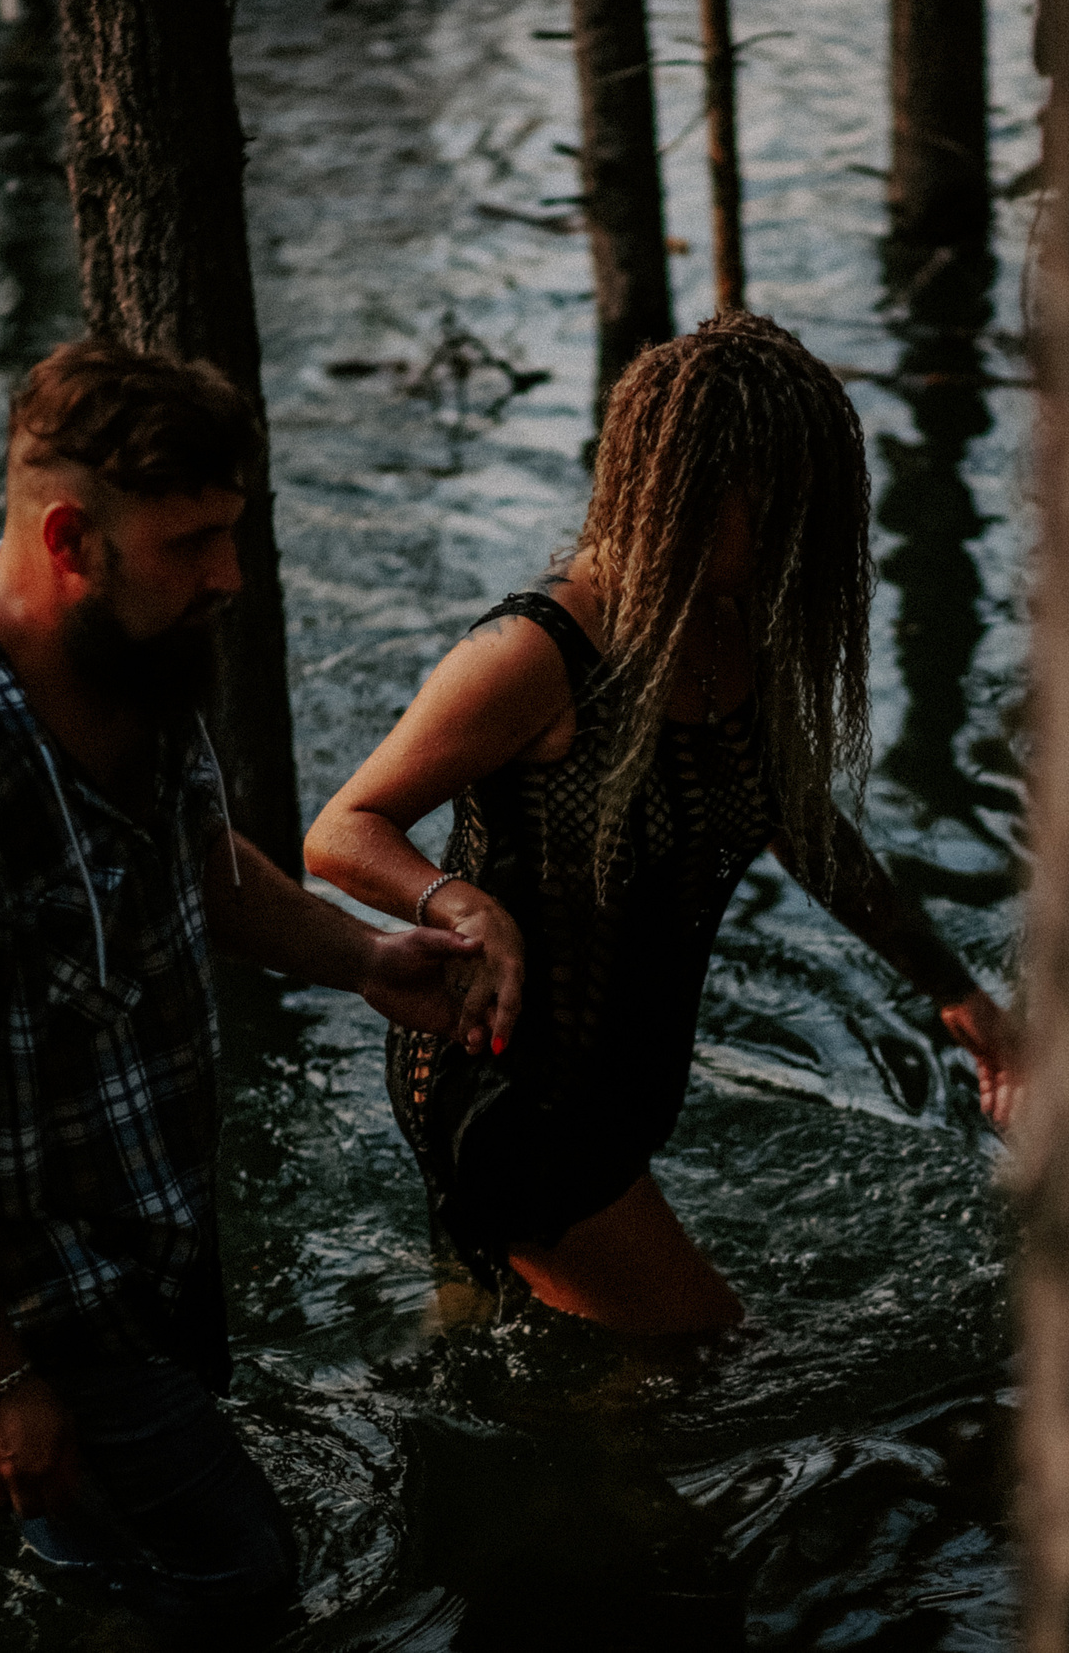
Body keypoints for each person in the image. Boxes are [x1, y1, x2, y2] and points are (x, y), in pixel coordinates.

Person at [0, 340, 477, 1632]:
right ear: (71, 538)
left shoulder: (130, 663)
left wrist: (369, 956)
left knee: (102, 1569)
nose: (230, 574)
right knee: (243, 1581)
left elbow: (197, 863)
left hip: (135, 1245)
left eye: (234, 532)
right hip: (29, 1302)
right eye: (194, 541)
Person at [305, 312, 1018, 1337]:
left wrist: (958, 997)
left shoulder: (733, 630)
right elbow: (341, 828)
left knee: (489, 1360)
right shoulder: (535, 655)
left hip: (614, 1099)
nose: (800, 540)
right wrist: (455, 901)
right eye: (773, 511)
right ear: (679, 493)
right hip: (512, 1094)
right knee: (702, 1349)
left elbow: (801, 829)